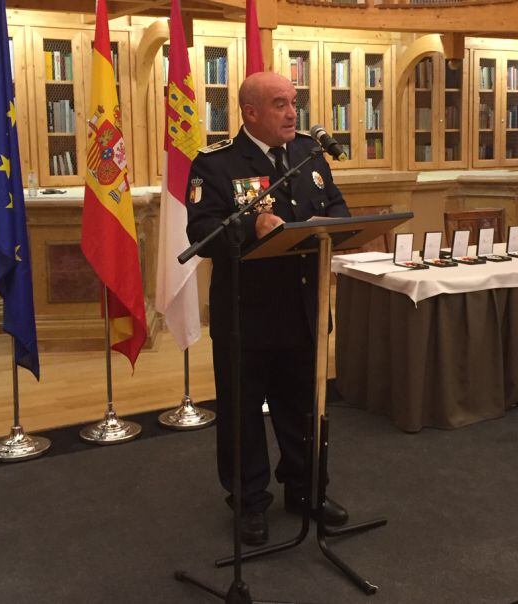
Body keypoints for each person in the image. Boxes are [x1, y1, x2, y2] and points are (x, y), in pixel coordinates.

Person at [186, 71, 351, 546]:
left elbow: (338, 208)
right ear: (250, 112)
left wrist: (326, 225)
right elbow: (202, 233)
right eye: (280, 103)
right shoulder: (215, 164)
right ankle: (249, 502)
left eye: (293, 102)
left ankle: (305, 491)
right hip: (247, 314)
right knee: (241, 416)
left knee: (303, 408)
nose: (291, 112)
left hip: (304, 306)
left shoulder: (307, 153)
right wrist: (252, 226)